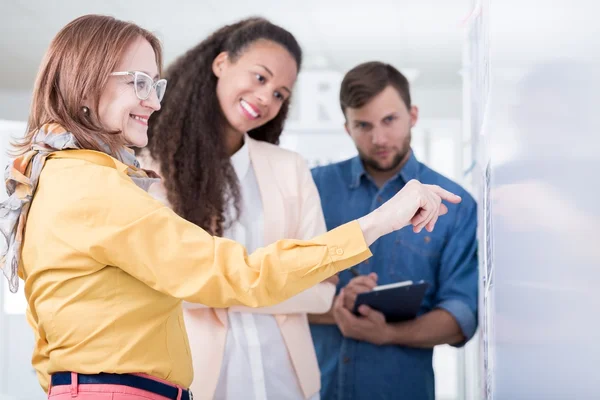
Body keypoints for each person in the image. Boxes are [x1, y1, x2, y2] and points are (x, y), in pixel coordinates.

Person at [0, 16, 460, 400]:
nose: (151, 100)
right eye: (137, 82)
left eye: (155, 85)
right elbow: (236, 276)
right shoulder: (100, 186)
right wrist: (378, 223)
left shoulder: (58, 175)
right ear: (83, 86)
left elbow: (49, 332)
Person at [139, 17, 336, 400]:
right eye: (260, 78)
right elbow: (169, 286)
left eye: (280, 93)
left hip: (288, 382)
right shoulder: (151, 169)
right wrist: (280, 276)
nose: (266, 98)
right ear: (221, 63)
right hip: (197, 381)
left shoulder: (289, 168)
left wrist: (223, 284)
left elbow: (322, 286)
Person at [308, 62, 478, 400]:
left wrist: (387, 333)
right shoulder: (312, 188)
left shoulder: (455, 204)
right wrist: (337, 306)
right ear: (346, 128)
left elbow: (463, 315)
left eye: (389, 120)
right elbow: (271, 286)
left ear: (412, 115)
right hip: (316, 389)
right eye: (363, 125)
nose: (379, 138)